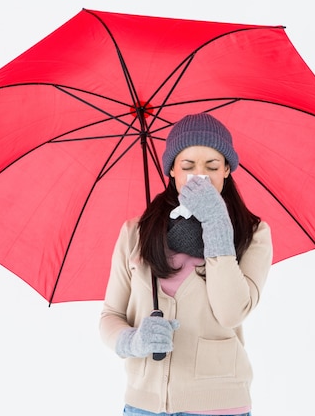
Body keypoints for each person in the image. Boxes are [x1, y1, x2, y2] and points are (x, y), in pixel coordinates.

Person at [100, 113, 272, 416]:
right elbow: (110, 316)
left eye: (212, 166)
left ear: (228, 169)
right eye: (188, 166)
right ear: (172, 171)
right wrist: (134, 341)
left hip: (219, 406)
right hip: (143, 407)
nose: (199, 176)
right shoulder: (136, 232)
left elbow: (231, 312)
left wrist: (217, 225)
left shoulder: (253, 233)